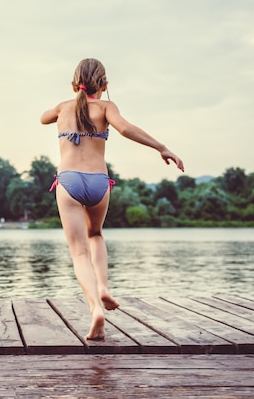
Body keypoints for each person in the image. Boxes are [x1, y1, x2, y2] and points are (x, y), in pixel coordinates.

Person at [40, 58, 184, 340]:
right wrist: (162, 147)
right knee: (95, 234)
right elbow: (126, 129)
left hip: (68, 181)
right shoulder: (106, 107)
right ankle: (103, 286)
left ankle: (95, 308)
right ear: (105, 85)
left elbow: (43, 117)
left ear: (74, 84)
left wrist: (64, 107)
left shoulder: (62, 107)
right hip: (98, 182)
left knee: (79, 253)